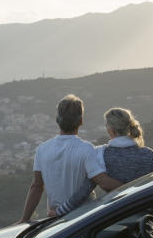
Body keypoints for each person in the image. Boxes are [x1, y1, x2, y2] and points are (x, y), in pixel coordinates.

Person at [20, 95, 122, 223]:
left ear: (57, 120)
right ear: (81, 122)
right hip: (85, 218)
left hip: (57, 218)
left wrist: (24, 219)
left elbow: (36, 187)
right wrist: (137, 187)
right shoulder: (86, 149)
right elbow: (103, 181)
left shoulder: (42, 149)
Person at [53, 107, 153, 216]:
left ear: (110, 130)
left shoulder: (100, 155)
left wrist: (60, 211)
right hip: (147, 217)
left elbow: (84, 190)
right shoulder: (149, 155)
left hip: (116, 216)